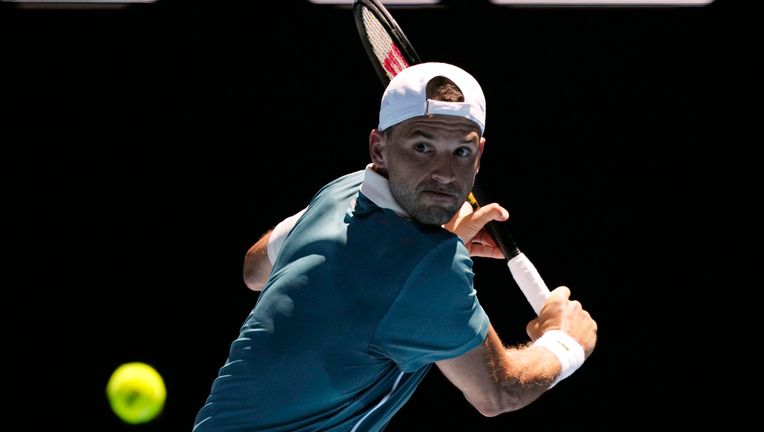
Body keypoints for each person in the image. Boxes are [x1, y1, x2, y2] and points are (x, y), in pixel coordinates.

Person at [193, 62, 597, 431]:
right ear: (379, 148)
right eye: (423, 147)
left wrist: (433, 248)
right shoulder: (429, 267)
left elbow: (254, 270)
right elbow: (499, 393)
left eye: (461, 151)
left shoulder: (340, 192)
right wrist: (564, 341)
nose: (444, 173)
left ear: (480, 157)